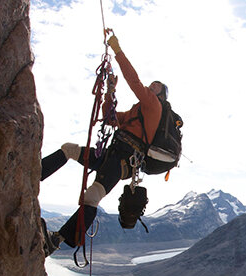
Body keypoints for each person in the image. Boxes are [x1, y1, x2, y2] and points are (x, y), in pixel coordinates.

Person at [41, 33, 167, 256]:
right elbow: (110, 118)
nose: (151, 87)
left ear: (161, 96)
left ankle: (57, 240)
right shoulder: (136, 113)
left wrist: (117, 51)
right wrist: (110, 91)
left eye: (155, 87)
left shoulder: (154, 107)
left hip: (120, 163)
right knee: (69, 149)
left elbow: (134, 81)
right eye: (152, 85)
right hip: (111, 156)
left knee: (92, 197)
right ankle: (35, 175)